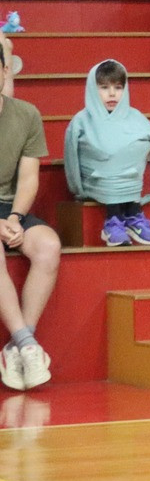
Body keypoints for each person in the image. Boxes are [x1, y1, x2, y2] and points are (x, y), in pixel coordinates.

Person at [0, 34, 59, 391]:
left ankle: (20, 345)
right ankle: (27, 344)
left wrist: (15, 218)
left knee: (48, 246)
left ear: (5, 71)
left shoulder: (26, 115)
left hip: (11, 209)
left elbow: (28, 178)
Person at [64, 59, 150, 247]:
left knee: (131, 149)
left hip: (131, 180)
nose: (112, 94)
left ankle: (132, 216)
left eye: (118, 87)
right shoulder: (81, 121)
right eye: (104, 87)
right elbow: (71, 157)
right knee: (109, 152)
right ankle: (113, 220)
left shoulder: (136, 117)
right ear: (92, 89)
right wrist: (76, 189)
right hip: (96, 181)